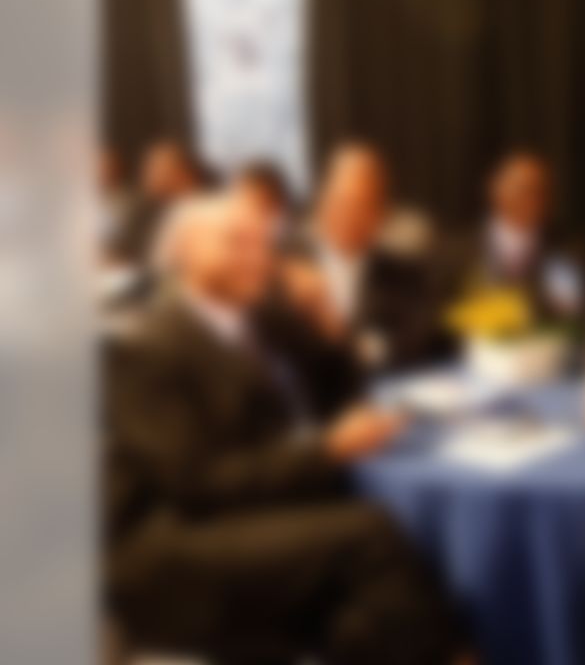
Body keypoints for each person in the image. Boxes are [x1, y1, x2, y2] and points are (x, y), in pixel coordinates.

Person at [104, 193, 458, 664]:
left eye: (263, 243)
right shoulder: (148, 346)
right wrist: (325, 450)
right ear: (187, 250)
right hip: (173, 546)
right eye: (236, 242)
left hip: (255, 503)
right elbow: (195, 484)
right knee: (373, 535)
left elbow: (342, 394)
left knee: (374, 589)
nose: (257, 256)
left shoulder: (266, 318)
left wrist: (328, 322)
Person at [267, 143, 435, 416]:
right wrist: (365, 347)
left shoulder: (405, 273)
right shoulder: (281, 263)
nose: (349, 214)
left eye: (364, 204)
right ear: (322, 200)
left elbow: (411, 348)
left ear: (382, 215)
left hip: (378, 410)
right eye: (341, 200)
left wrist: (352, 345)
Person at [433, 150, 584, 349]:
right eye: (521, 188)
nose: (530, 198)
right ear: (495, 189)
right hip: (461, 366)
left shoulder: (567, 251)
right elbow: (434, 316)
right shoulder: (452, 250)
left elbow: (572, 315)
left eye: (539, 190)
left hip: (543, 363)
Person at [108, 140, 200, 266]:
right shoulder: (146, 207)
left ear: (181, 172)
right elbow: (122, 249)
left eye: (156, 169)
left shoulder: (203, 213)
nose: (147, 176)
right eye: (148, 169)